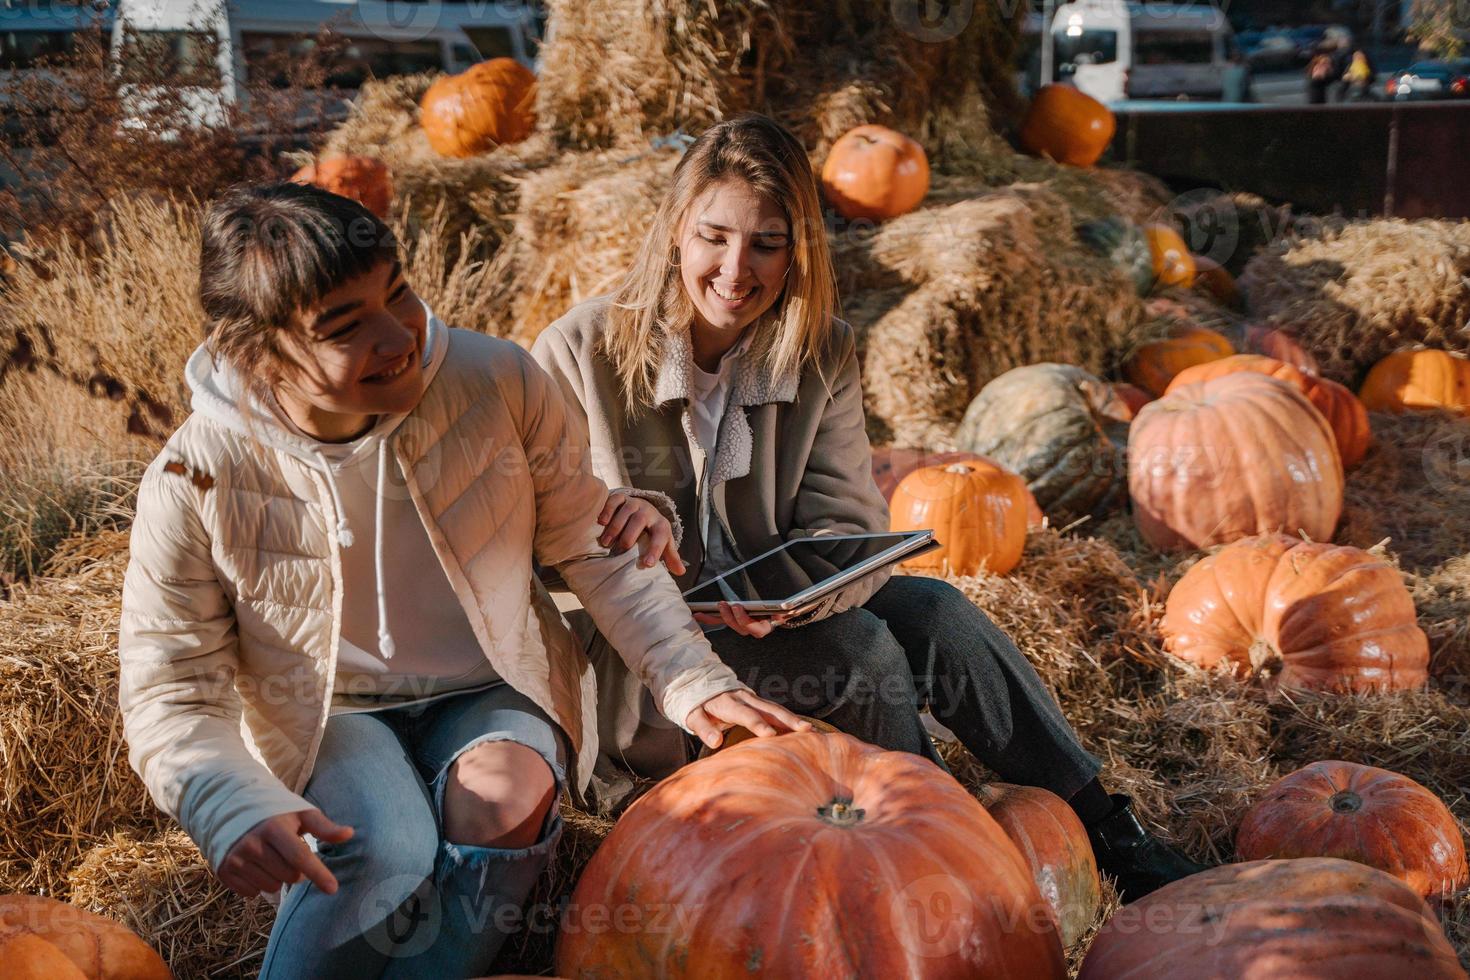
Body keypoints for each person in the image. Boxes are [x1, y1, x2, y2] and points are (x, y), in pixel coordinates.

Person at [117, 182, 806, 978]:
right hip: (329, 709)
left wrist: (690, 677)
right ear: (256, 354)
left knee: (505, 800)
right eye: (346, 326)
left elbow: (596, 546)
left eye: (398, 294)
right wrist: (225, 802)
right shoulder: (196, 473)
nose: (397, 335)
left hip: (492, 681)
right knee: (380, 842)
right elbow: (171, 686)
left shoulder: (498, 381)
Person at [530, 113, 1207, 901]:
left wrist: (791, 599)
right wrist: (639, 529)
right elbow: (548, 542)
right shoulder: (578, 349)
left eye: (767, 244)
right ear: (676, 230)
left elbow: (843, 524)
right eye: (714, 236)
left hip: (769, 619)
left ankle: (1107, 830)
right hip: (648, 658)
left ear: (800, 251)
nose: (734, 269)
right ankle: (932, 862)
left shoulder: (819, 351)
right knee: (862, 652)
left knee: (940, 614)